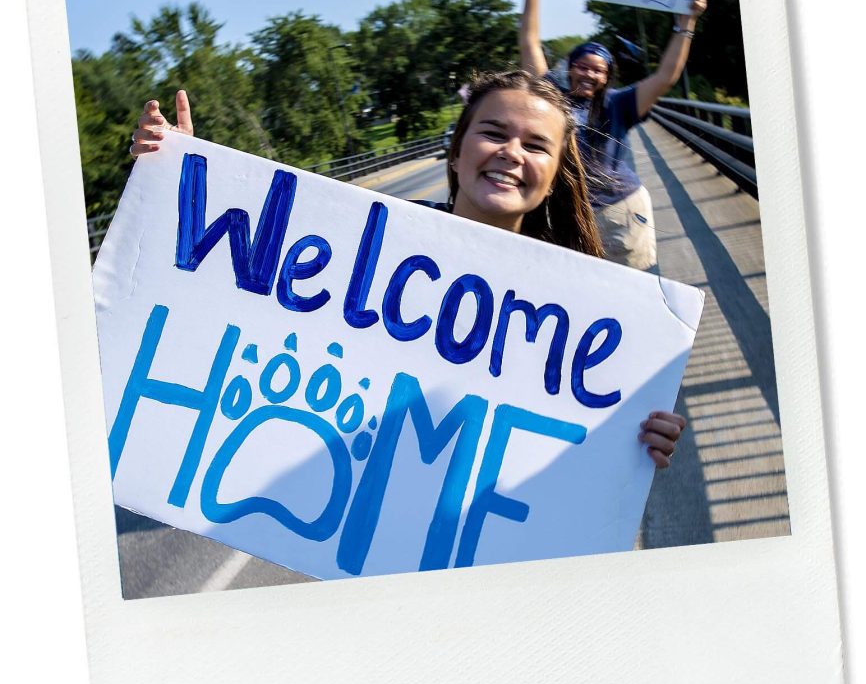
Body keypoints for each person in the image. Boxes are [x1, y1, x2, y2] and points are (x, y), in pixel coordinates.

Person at [130, 75, 686, 469]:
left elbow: (592, 443)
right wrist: (187, 177)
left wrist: (638, 443)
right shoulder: (370, 248)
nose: (511, 152)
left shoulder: (588, 302)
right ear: (455, 152)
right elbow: (248, 288)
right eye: (493, 132)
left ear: (556, 172)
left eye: (536, 144)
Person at [519, 0, 708, 271]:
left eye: (598, 70)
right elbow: (528, 41)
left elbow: (665, 77)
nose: (589, 74)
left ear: (607, 77)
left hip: (619, 210)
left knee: (632, 295)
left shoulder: (616, 104)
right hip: (568, 214)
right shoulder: (550, 95)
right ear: (569, 68)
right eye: (582, 66)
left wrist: (686, 23)